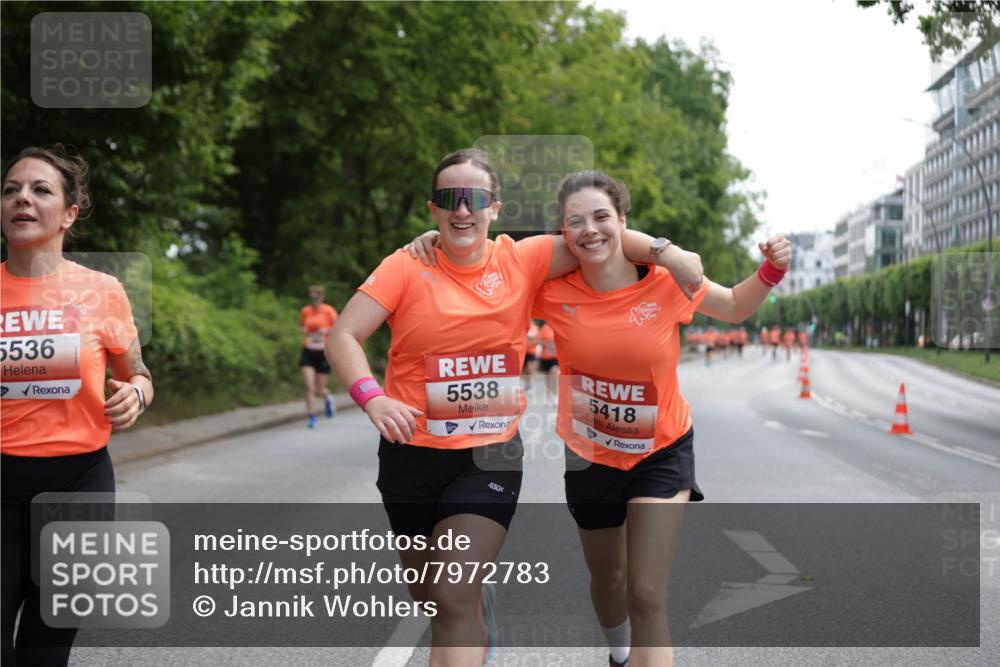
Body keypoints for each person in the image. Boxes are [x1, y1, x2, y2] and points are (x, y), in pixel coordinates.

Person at [328, 148, 705, 667]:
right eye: (449, 200)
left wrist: (668, 252)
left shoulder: (521, 259)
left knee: (452, 594)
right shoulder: (405, 265)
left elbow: (599, 236)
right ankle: (473, 614)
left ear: (495, 208)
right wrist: (372, 397)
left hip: (487, 455)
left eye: (474, 199)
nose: (462, 210)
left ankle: (469, 621)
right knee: (432, 596)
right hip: (409, 453)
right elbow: (343, 335)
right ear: (433, 210)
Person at [531, 170, 790, 667]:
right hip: (590, 458)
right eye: (575, 221)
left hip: (661, 452)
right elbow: (486, 277)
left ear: (623, 223)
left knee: (647, 593)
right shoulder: (552, 291)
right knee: (609, 580)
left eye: (602, 217)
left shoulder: (666, 284)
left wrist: (771, 272)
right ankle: (619, 654)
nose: (590, 230)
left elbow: (735, 306)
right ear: (562, 233)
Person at [1, 145, 153, 666]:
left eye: (40, 189)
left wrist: (135, 394)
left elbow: (137, 374)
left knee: (44, 654)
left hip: (77, 488)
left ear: (68, 213)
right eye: (11, 189)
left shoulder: (103, 291)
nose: (22, 197)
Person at [299, 284, 338, 428]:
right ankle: (311, 417)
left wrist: (326, 330)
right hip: (308, 349)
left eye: (316, 297)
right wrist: (304, 330)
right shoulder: (305, 311)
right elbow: (303, 326)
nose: (313, 300)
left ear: (321, 297)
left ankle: (328, 398)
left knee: (320, 390)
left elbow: (338, 328)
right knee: (309, 386)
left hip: (323, 351)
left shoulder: (329, 311)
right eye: (311, 297)